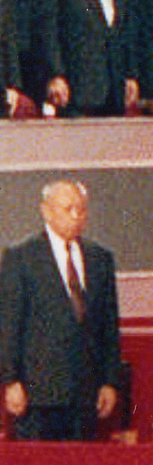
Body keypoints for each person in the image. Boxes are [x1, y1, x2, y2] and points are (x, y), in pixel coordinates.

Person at [0, 179, 122, 441]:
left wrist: (110, 382)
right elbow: (9, 324)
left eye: (82, 210)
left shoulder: (100, 259)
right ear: (46, 211)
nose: (77, 217)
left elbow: (109, 328)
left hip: (86, 394)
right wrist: (10, 381)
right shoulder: (21, 257)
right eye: (69, 209)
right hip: (38, 395)